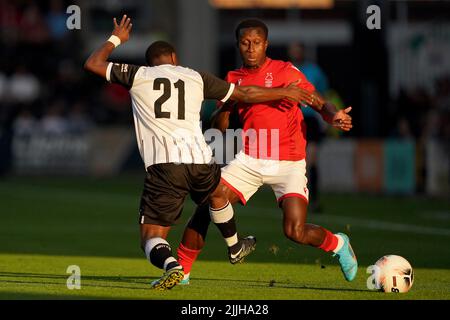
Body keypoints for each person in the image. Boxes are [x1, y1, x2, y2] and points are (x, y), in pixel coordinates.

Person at [84, 15, 314, 290]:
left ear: (151, 63)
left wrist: (116, 39)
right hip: (202, 161)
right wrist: (283, 92)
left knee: (151, 236)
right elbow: (247, 94)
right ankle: (235, 245)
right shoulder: (195, 76)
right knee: (216, 195)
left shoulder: (139, 75)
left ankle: (173, 266)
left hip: (165, 165)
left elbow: (92, 64)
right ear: (174, 57)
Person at [177, 18, 357, 285]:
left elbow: (319, 102)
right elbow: (219, 125)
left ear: (266, 44)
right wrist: (224, 109)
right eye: (245, 43)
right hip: (250, 159)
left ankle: (338, 244)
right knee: (207, 204)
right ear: (238, 44)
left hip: (289, 162)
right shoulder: (233, 78)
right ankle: (181, 270)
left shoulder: (286, 71)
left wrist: (334, 117)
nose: (250, 48)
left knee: (294, 231)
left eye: (256, 43)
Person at [288, 42, 329, 213]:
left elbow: (323, 95)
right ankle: (294, 199)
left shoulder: (314, 71)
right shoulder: (286, 71)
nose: (295, 53)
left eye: (298, 50)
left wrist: (326, 117)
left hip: (310, 121)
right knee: (295, 163)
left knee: (311, 160)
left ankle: (314, 199)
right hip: (292, 121)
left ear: (303, 52)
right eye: (293, 51)